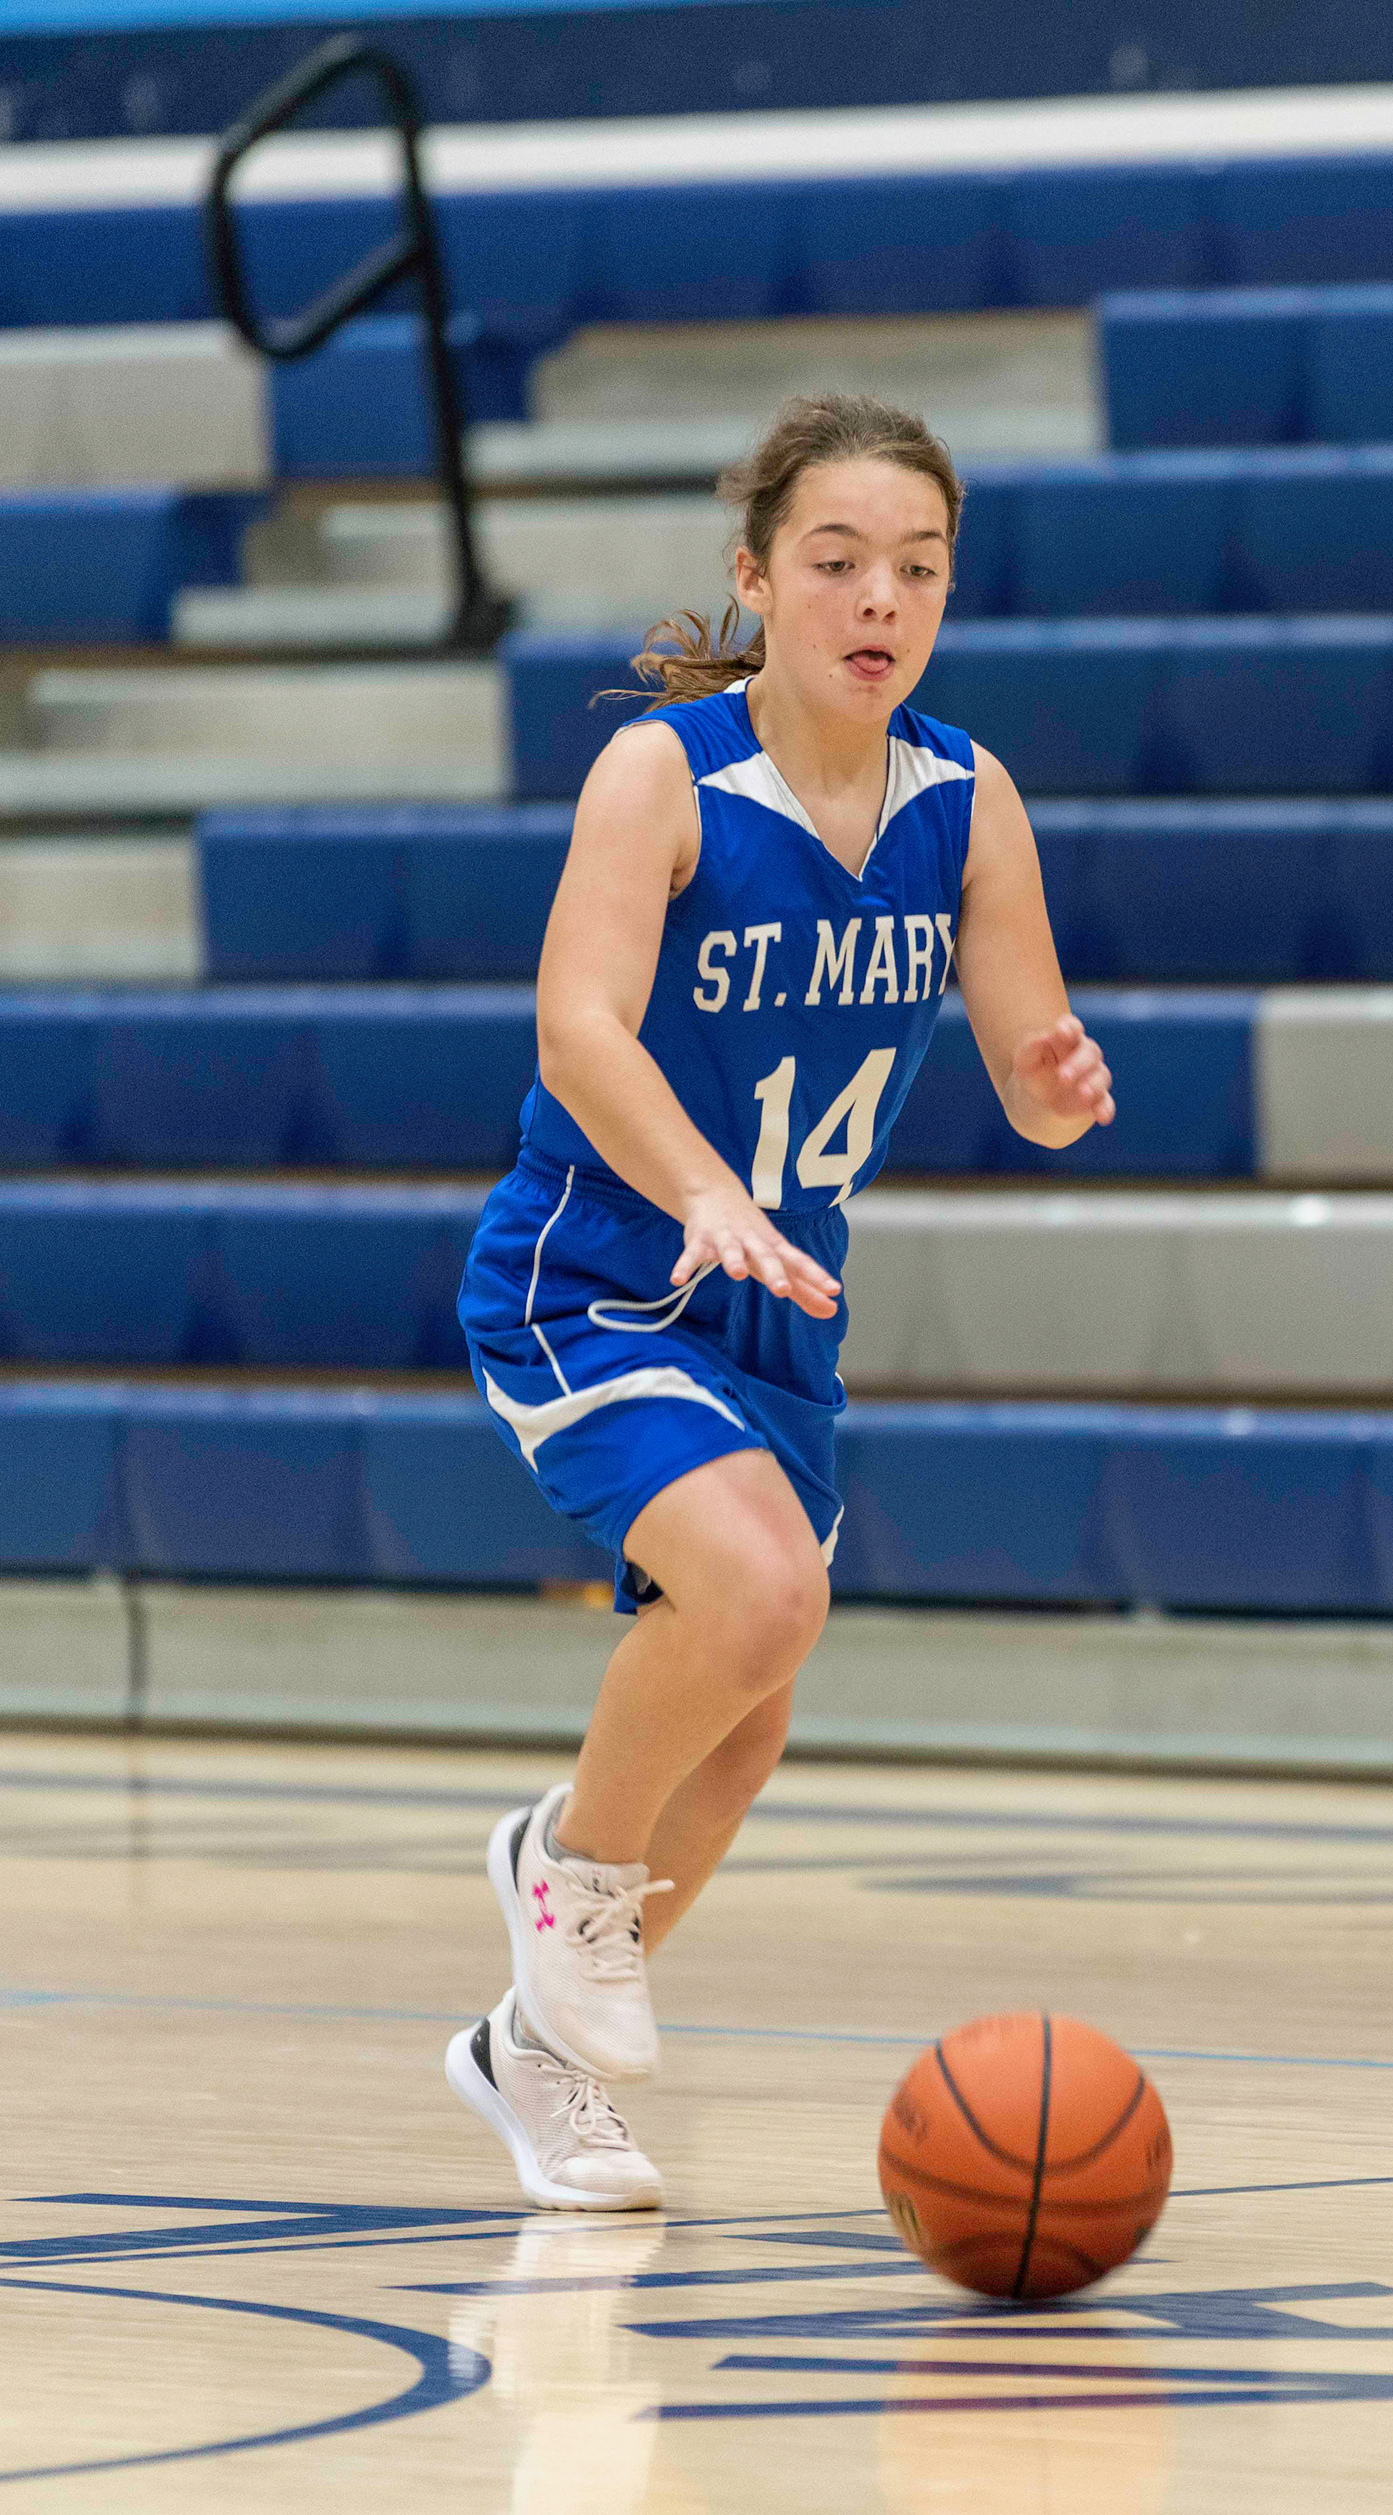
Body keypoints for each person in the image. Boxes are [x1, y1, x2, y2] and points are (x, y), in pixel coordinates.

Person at [445, 392, 1114, 2212]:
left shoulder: (967, 801)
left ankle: (535, 2058)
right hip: (602, 1271)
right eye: (836, 562)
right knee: (762, 1596)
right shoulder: (664, 775)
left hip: (779, 1303)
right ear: (756, 579)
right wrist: (703, 1189)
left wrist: (1056, 1081)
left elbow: (1031, 1075)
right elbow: (577, 1028)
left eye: (918, 568)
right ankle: (569, 1880)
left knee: (742, 1731)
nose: (878, 599)